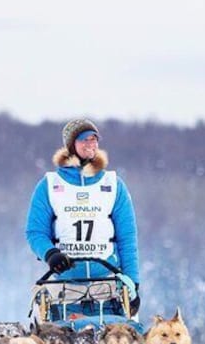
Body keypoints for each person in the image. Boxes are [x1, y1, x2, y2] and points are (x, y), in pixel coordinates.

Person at [26, 118, 140, 326]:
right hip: (64, 288)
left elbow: (127, 238)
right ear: (71, 145)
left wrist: (133, 281)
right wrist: (50, 254)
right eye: (83, 140)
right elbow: (35, 232)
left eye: (94, 139)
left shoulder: (113, 184)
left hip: (107, 287)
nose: (91, 144)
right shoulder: (50, 185)